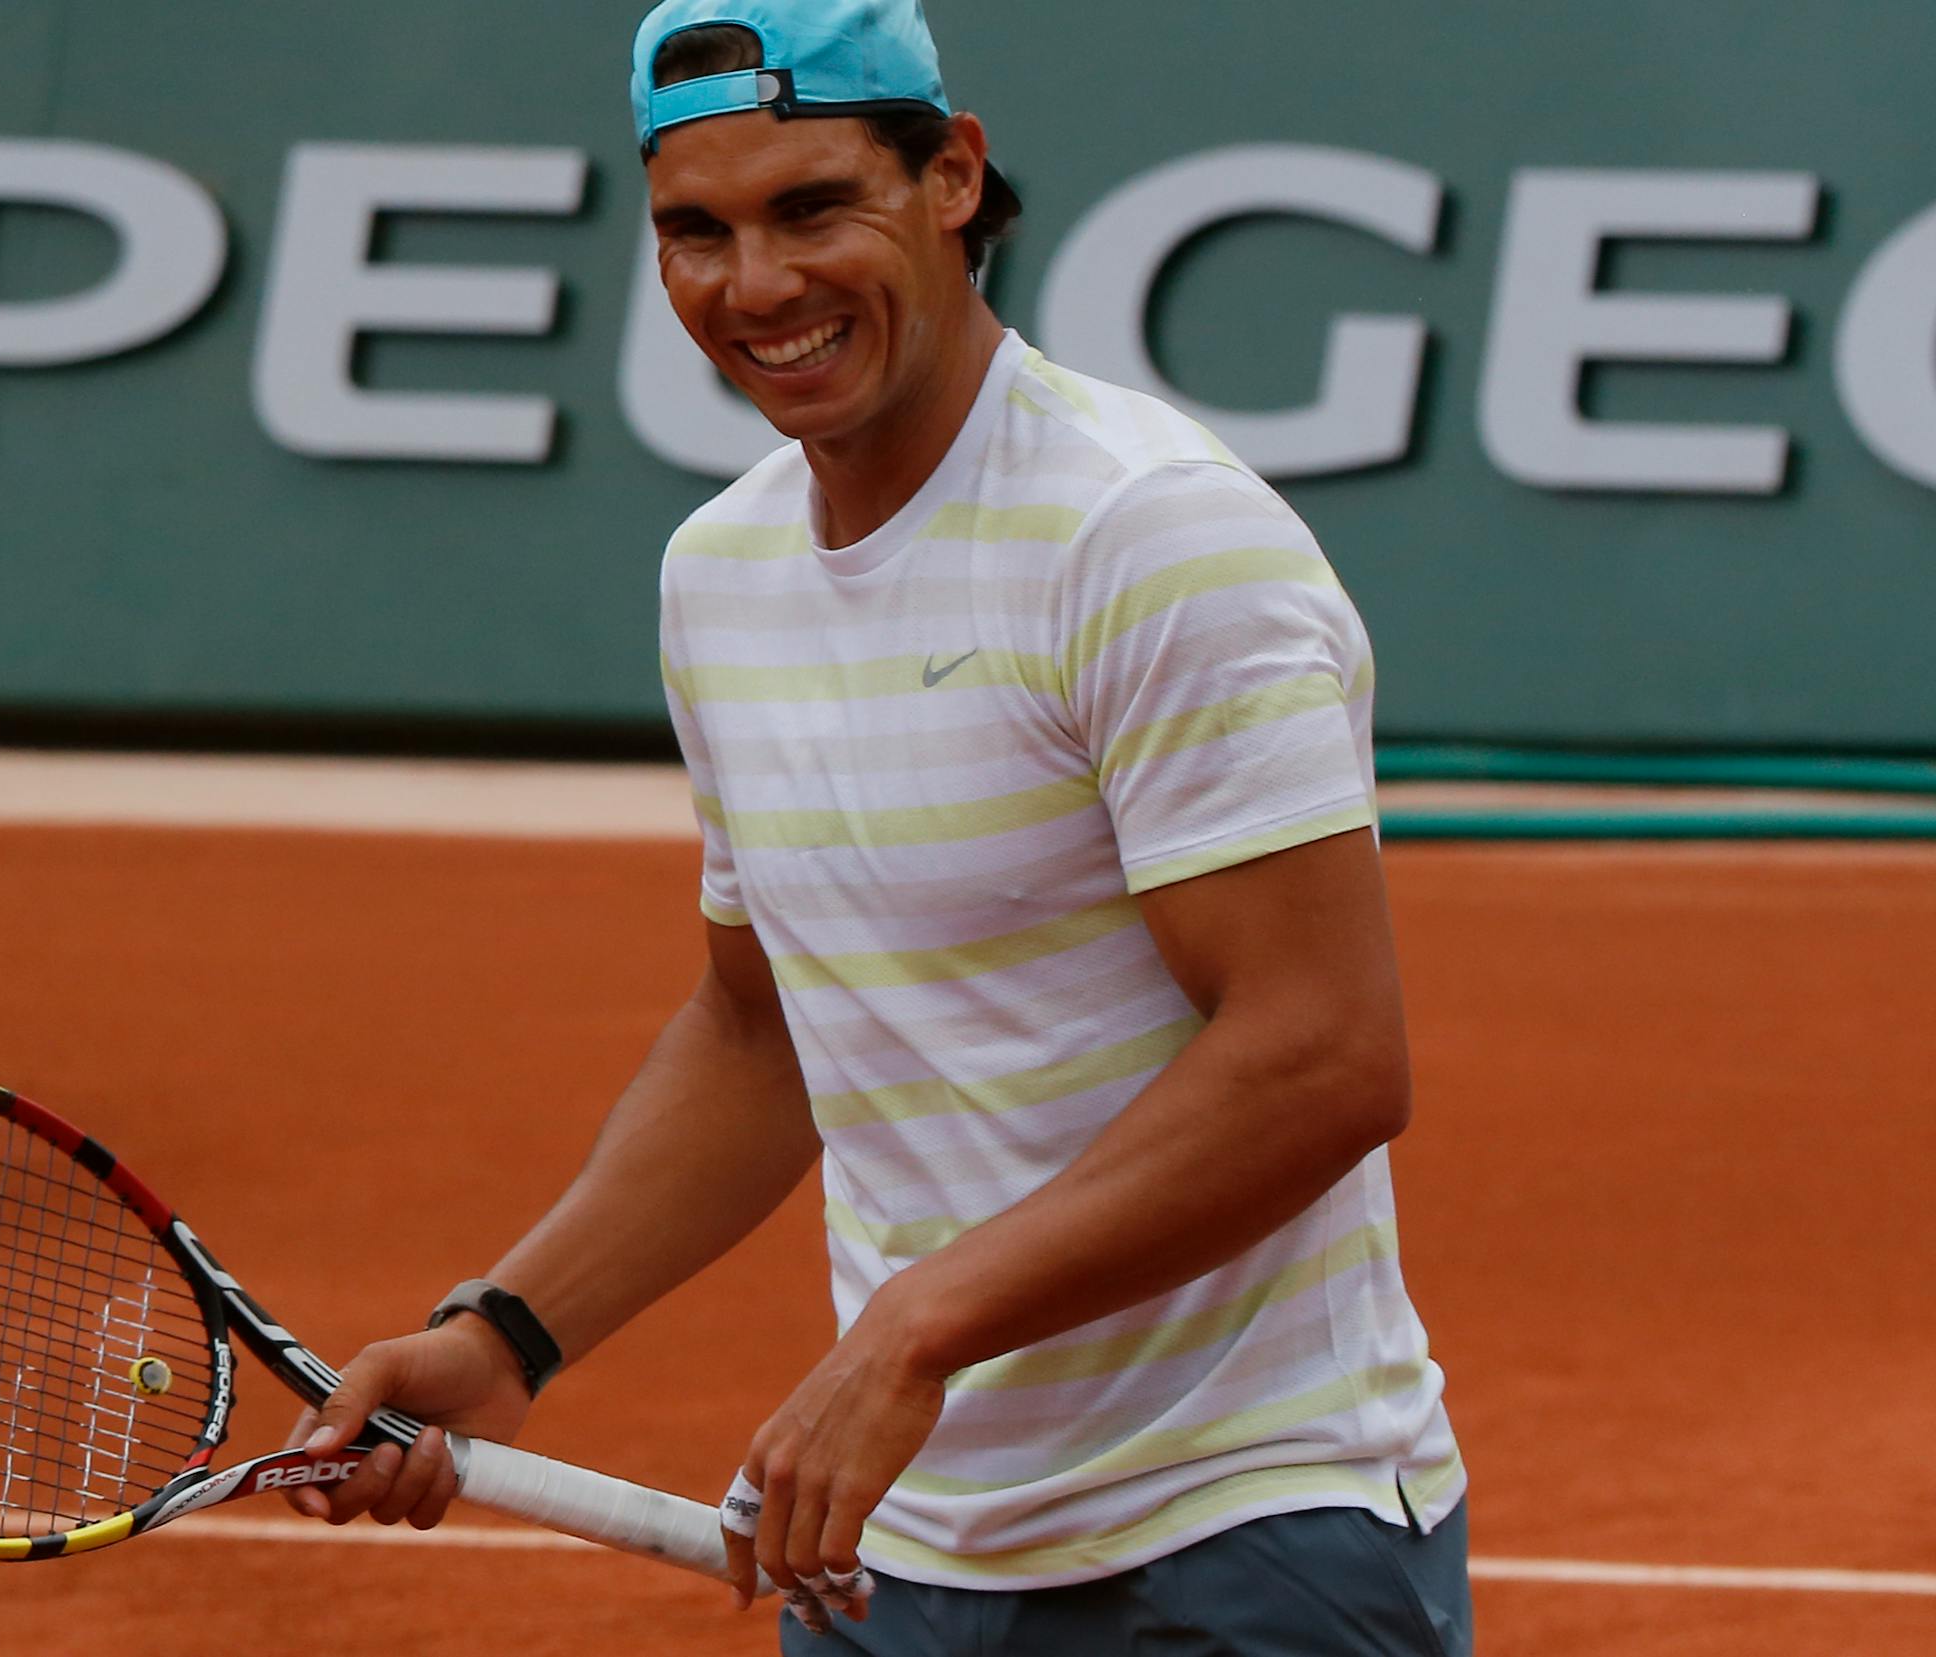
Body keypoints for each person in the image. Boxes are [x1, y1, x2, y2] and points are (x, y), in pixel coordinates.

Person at [286, 2, 1472, 1650]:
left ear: (954, 180)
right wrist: (506, 1334)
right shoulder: (720, 571)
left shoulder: (1150, 536)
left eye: (813, 208)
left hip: (1242, 1531)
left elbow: (1321, 1050)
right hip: (890, 1561)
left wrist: (918, 1327)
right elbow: (764, 1022)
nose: (754, 286)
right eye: (695, 230)